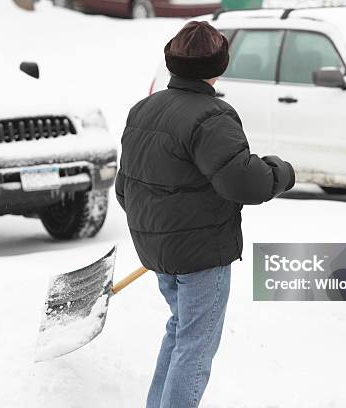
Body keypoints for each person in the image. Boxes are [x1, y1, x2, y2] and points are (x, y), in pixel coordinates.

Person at [115, 21, 295, 408]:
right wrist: (280, 171)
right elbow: (246, 184)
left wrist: (161, 227)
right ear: (220, 65)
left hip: (160, 251)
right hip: (200, 255)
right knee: (195, 348)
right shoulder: (212, 117)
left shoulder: (143, 110)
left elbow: (124, 188)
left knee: (181, 332)